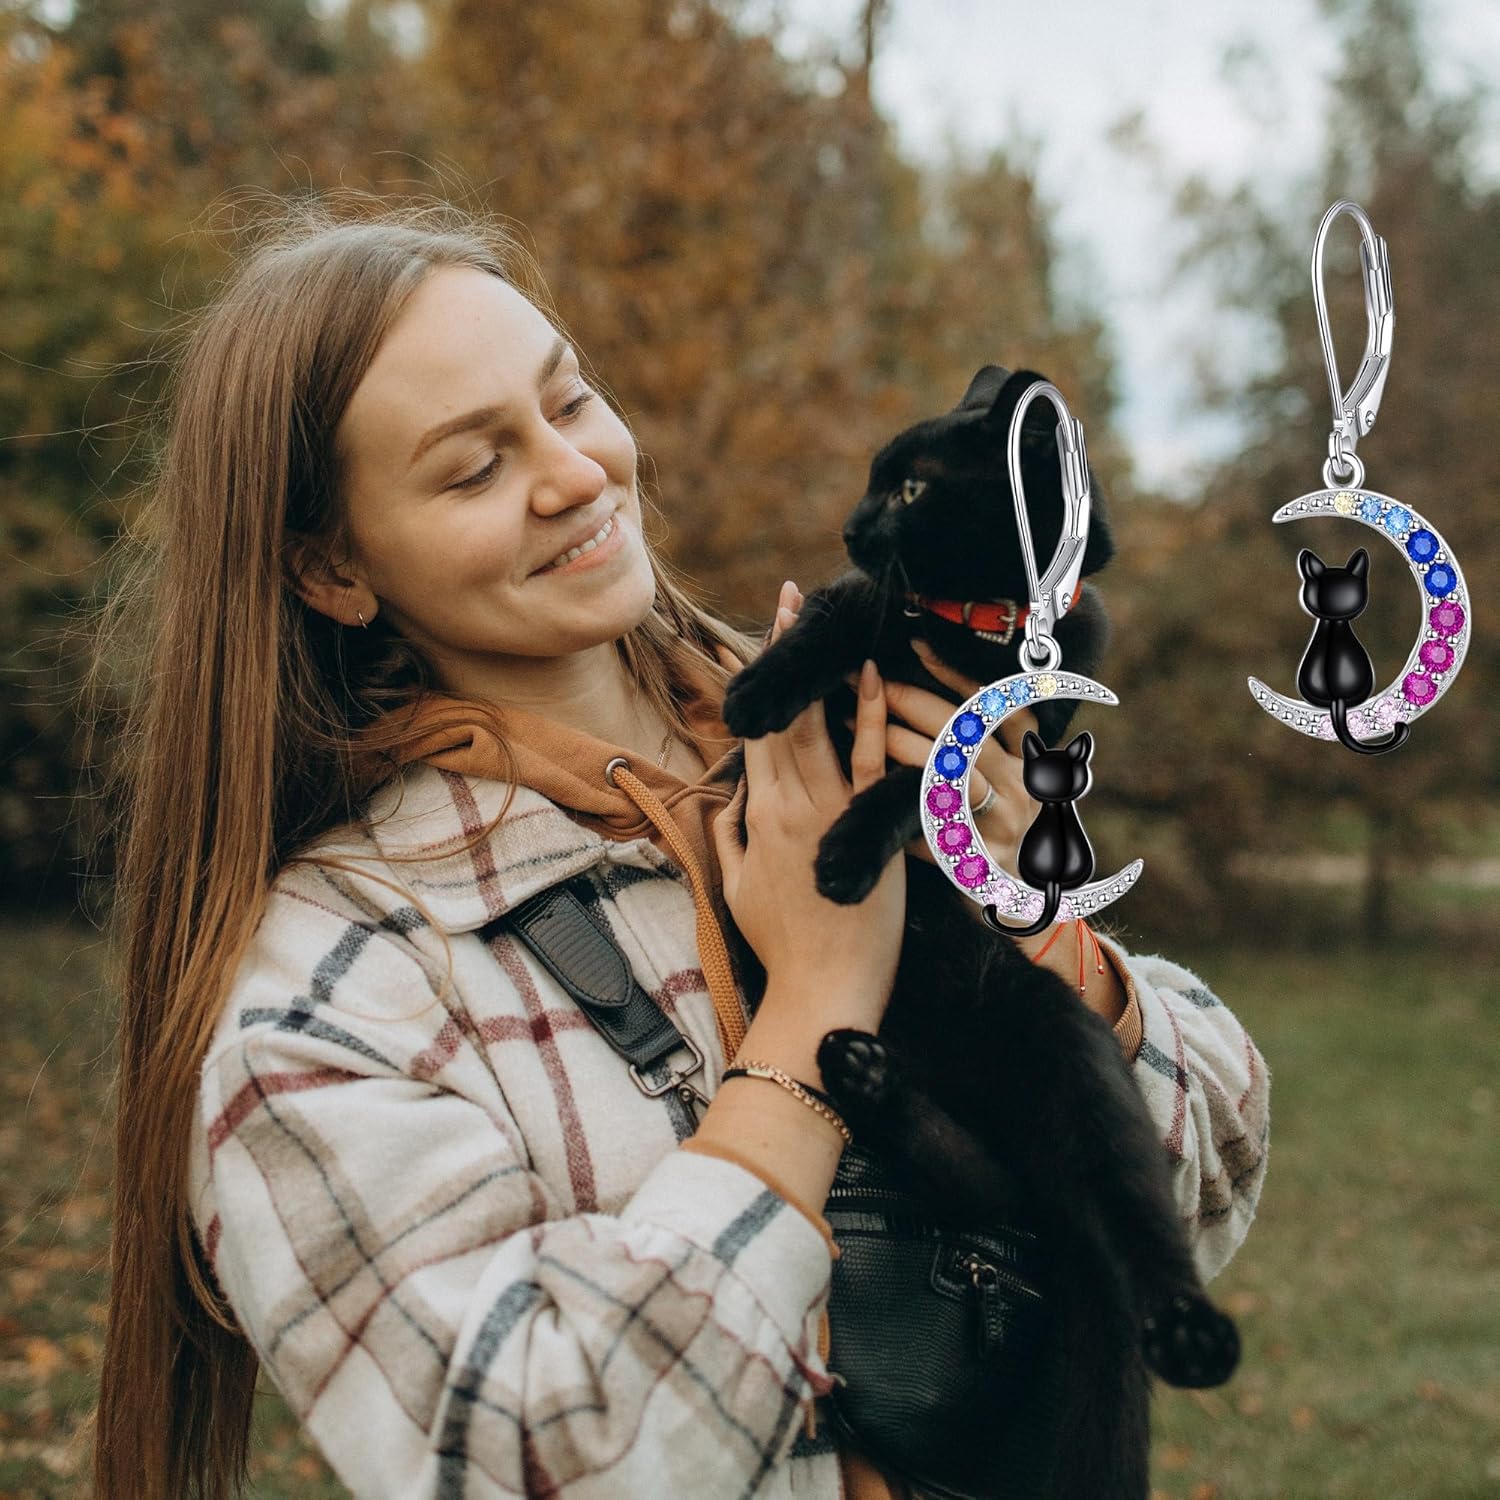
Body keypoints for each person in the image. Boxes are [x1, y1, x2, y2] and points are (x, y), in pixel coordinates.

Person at [88, 197, 1270, 1500]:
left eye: (571, 398)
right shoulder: (334, 993)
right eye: (475, 467)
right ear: (332, 569)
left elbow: (1203, 1193)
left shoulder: (840, 733)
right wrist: (811, 1019)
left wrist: (1028, 925)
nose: (577, 472)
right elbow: (527, 1459)